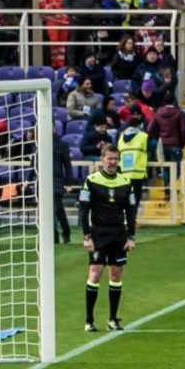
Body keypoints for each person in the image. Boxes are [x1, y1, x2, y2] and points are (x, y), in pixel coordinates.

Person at [80, 140, 140, 330]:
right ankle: (89, 321)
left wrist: (131, 237)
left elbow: (131, 212)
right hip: (98, 233)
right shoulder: (91, 181)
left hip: (118, 234)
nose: (112, 162)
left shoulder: (126, 182)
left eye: (115, 159)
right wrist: (86, 236)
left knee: (115, 275)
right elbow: (83, 210)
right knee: (95, 274)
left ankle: (112, 319)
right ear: (102, 159)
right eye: (109, 158)